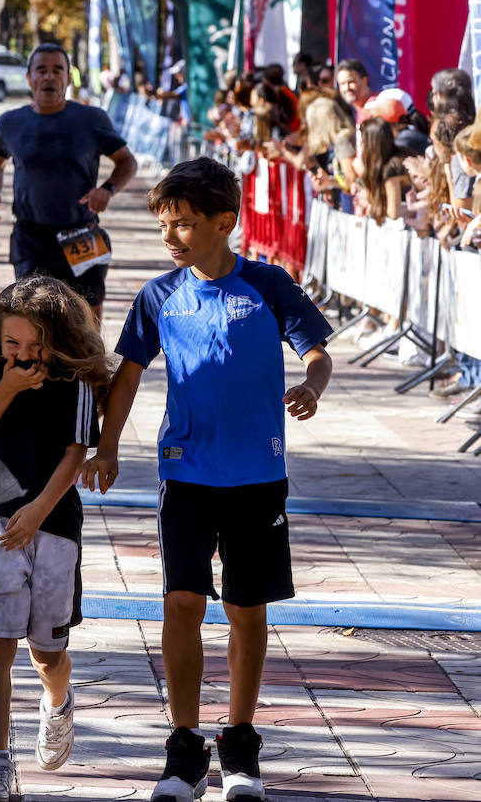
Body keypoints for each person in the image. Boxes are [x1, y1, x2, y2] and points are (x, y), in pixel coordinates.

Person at [82, 157, 333, 802]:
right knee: (182, 604)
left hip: (257, 476)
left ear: (226, 222)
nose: (171, 237)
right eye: (165, 225)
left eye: (185, 224)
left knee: (246, 608)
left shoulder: (269, 285)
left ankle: (241, 746)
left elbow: (318, 353)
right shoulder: (158, 296)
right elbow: (128, 375)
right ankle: (185, 748)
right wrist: (107, 446)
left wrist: (311, 385)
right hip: (185, 474)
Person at [0, 277, 107, 802]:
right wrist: (6, 389)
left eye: (34, 344)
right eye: (11, 343)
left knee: (46, 653)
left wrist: (39, 512)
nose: (22, 354)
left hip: (54, 522)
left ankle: (58, 700)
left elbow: (75, 454)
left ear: (57, 338)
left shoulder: (76, 383)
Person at [0, 43, 137, 322]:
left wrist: (108, 189)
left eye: (57, 70)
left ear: (68, 77)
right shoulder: (10, 122)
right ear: (29, 77)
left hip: (82, 234)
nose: (49, 76)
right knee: (33, 321)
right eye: (41, 70)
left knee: (86, 324)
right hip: (31, 238)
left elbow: (127, 161)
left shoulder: (92, 119)